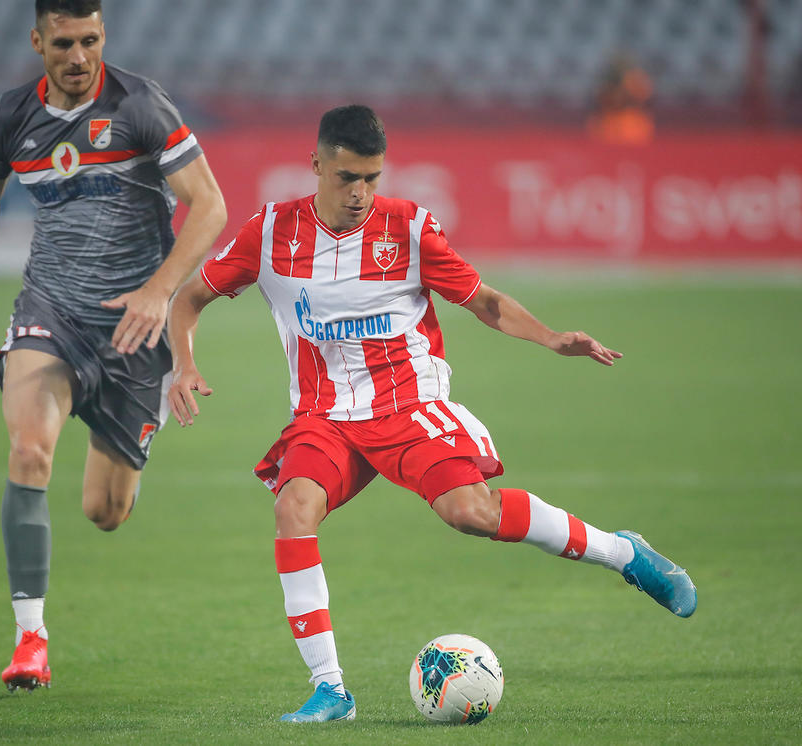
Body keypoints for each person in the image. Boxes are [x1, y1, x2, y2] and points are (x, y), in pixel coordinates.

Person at [167, 105, 696, 723]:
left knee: (471, 513)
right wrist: (184, 364)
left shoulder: (409, 229)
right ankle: (330, 690)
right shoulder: (271, 232)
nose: (360, 193)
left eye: (372, 177)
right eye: (346, 177)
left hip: (408, 403)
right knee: (293, 508)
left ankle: (622, 553)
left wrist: (551, 337)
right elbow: (189, 299)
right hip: (325, 415)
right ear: (316, 166)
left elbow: (484, 300)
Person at [0, 0, 226, 691]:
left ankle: (118, 434)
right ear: (37, 40)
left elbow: (210, 204)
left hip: (133, 332)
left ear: (104, 36)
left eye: (90, 41)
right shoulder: (12, 116)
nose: (78, 57)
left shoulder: (140, 106)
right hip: (52, 313)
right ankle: (30, 639)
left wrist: (157, 291)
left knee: (105, 511)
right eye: (64, 42)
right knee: (29, 450)